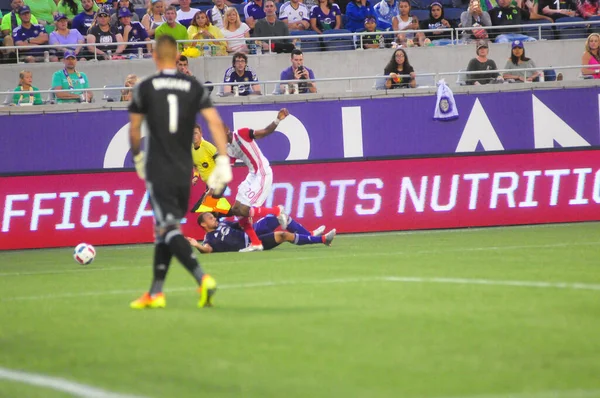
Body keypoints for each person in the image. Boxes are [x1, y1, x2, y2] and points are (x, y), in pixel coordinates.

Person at [127, 34, 233, 310]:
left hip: (160, 168)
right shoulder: (192, 86)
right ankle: (155, 292)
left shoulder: (145, 87)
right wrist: (223, 160)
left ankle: (203, 278)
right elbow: (214, 121)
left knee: (168, 229)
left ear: (154, 57)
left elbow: (135, 129)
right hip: (185, 170)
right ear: (177, 57)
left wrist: (138, 158)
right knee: (164, 229)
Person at [223, 109, 292, 252]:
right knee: (236, 210)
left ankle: (277, 211)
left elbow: (265, 131)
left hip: (262, 173)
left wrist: (278, 120)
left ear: (227, 130)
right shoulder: (227, 148)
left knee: (245, 209)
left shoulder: (241, 134)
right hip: (252, 175)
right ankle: (255, 243)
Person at [188, 212, 335, 253]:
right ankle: (322, 239)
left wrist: (245, 220)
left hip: (253, 232)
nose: (213, 218)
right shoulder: (209, 238)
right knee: (282, 235)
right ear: (203, 224)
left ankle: (309, 234)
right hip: (251, 244)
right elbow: (206, 250)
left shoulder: (222, 223)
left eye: (213, 216)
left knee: (279, 217)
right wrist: (196, 245)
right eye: (210, 218)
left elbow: (239, 225)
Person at [190, 124, 233, 215]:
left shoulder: (208, 147)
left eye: (195, 133)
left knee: (207, 209)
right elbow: (196, 166)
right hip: (209, 184)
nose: (193, 136)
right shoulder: (191, 150)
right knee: (213, 211)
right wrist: (195, 177)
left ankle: (236, 214)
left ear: (201, 134)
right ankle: (238, 213)